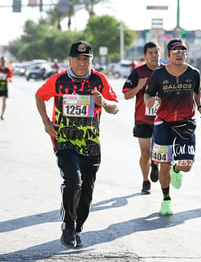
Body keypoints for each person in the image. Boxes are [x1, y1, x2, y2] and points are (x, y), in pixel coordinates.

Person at [35, 40, 119, 248]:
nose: (82, 63)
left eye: (86, 59)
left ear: (91, 60)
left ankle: (77, 227)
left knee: (87, 192)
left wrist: (104, 103)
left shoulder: (99, 80)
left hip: (90, 144)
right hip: (64, 141)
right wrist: (46, 122)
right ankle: (68, 225)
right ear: (70, 60)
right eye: (78, 59)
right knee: (73, 182)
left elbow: (115, 107)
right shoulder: (58, 81)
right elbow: (39, 96)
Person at [144, 38, 201, 216]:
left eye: (182, 51)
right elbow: (148, 93)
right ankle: (166, 200)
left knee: (186, 165)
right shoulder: (159, 74)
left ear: (186, 54)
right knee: (163, 163)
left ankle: (176, 169)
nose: (179, 54)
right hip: (163, 122)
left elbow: (197, 91)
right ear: (168, 55)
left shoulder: (193, 73)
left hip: (185, 122)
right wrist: (148, 101)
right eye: (175, 51)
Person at [122, 41, 161, 195]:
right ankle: (145, 181)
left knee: (158, 152)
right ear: (145, 56)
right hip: (143, 119)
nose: (154, 56)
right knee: (145, 153)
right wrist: (139, 86)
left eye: (156, 52)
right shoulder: (138, 72)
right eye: (150, 53)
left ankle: (156, 164)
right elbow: (126, 95)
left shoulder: (166, 71)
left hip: (163, 120)